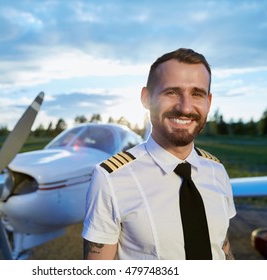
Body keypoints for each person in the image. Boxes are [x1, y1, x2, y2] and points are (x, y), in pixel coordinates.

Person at [82, 48, 236, 260]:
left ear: (208, 102)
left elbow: (223, 248)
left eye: (197, 94)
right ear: (146, 98)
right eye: (172, 92)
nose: (185, 107)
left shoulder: (217, 171)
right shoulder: (110, 178)